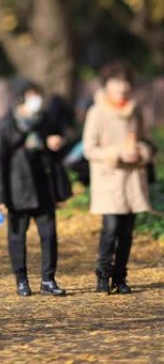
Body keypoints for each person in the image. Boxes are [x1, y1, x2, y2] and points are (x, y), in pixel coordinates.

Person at [0, 80, 72, 297]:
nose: (36, 100)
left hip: (43, 186)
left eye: (37, 95)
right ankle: (21, 280)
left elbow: (58, 152)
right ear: (19, 99)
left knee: (49, 235)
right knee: (17, 236)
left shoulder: (45, 121)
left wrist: (54, 144)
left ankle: (48, 279)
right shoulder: (4, 126)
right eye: (30, 95)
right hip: (17, 190)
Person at [82, 61, 152, 295]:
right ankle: (103, 274)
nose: (122, 87)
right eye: (116, 82)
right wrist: (116, 154)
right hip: (108, 179)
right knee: (110, 229)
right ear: (107, 85)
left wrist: (140, 152)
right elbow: (89, 149)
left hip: (132, 180)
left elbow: (146, 141)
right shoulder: (97, 112)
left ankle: (120, 277)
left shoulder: (135, 110)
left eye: (125, 83)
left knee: (126, 232)